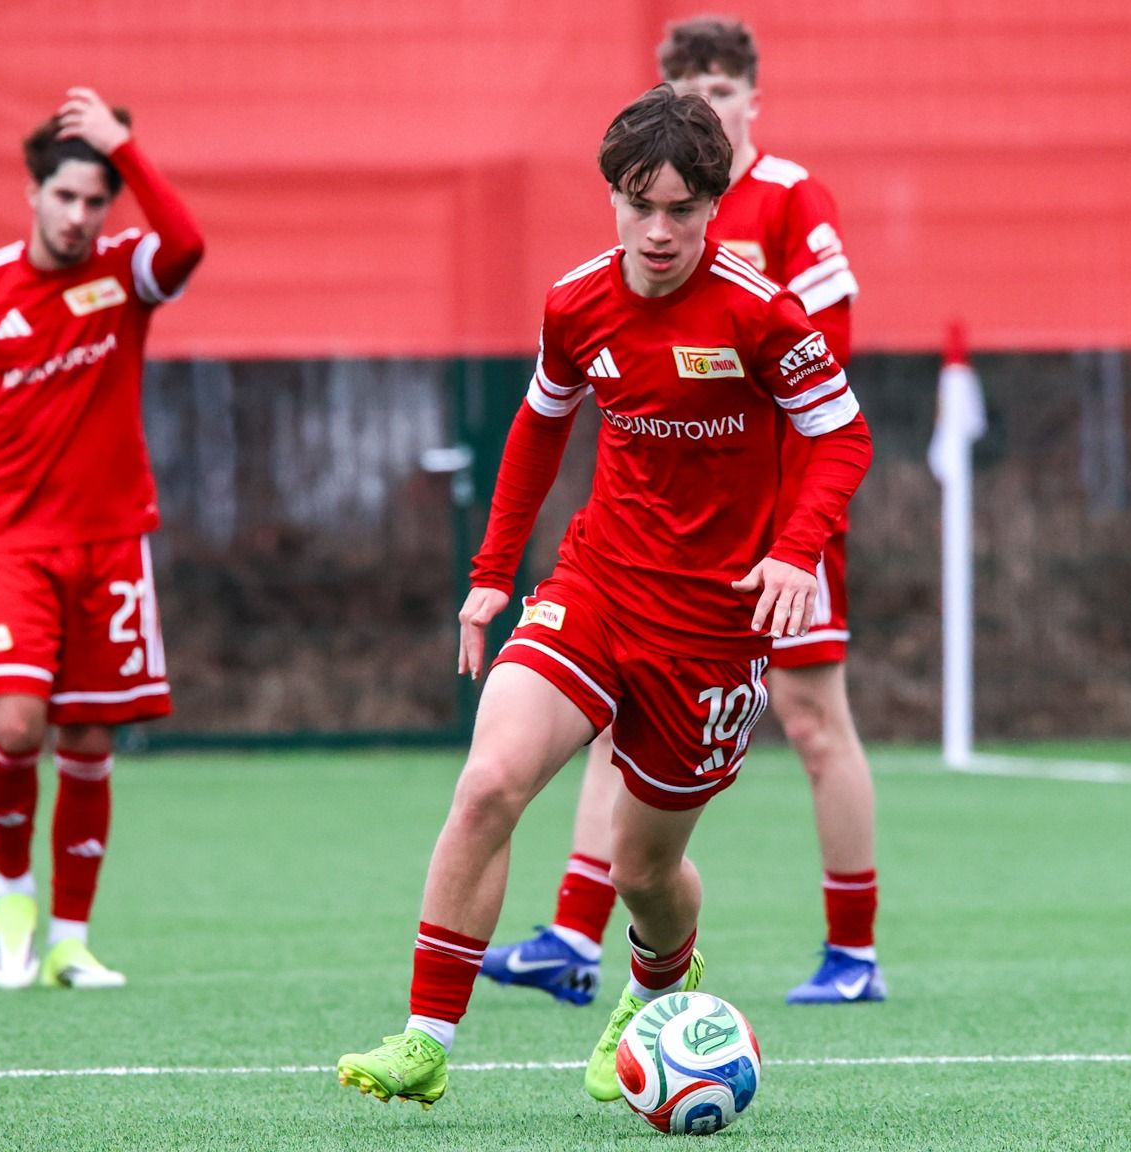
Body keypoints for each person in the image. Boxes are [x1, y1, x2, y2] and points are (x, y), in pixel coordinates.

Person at [335, 85, 871, 1110]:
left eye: (683, 209)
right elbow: (541, 424)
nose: (659, 231)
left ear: (715, 207)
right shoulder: (576, 301)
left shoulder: (760, 313)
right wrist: (491, 576)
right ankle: (426, 1038)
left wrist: (795, 552)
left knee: (642, 872)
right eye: (639, 205)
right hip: (597, 584)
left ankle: (661, 982)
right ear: (612, 199)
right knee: (489, 783)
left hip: (712, 629)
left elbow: (842, 435)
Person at [480, 16, 884, 1009]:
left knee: (814, 720)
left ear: (754, 99)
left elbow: (822, 382)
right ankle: (575, 934)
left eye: (725, 87)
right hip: (661, 541)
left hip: (778, 530)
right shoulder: (627, 238)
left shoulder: (786, 198)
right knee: (610, 710)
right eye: (692, 85)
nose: (710, 102)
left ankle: (853, 949)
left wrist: (797, 538)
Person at [0, 88, 204, 991]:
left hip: (111, 544)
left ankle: (71, 942)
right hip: (11, 544)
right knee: (15, 721)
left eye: (95, 200)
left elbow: (187, 244)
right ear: (33, 194)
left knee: (87, 739)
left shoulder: (125, 272)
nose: (79, 216)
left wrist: (126, 148)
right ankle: (13, 895)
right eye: (66, 197)